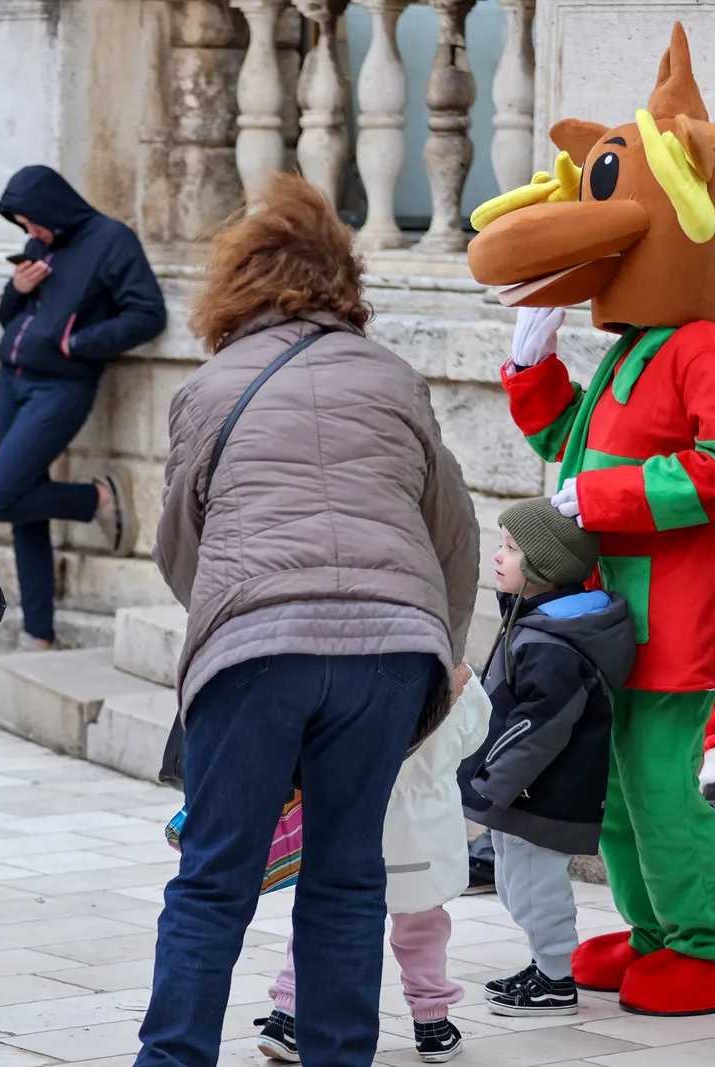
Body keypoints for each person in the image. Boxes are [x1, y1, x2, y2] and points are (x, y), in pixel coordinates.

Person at [138, 174, 478, 1067]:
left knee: (213, 880)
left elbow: (182, 543)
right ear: (344, 281)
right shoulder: (393, 376)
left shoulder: (212, 386)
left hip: (256, 649)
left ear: (236, 285)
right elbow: (454, 528)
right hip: (392, 648)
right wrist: (443, 647)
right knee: (347, 876)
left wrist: (227, 621)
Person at [466, 22, 715, 1014]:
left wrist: (602, 499)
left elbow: (704, 465)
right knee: (611, 792)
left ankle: (699, 937)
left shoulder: (699, 342)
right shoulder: (633, 346)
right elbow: (579, 439)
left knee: (660, 789)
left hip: (677, 618)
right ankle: (651, 927)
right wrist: (534, 363)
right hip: (605, 619)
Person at [256, 668, 488, 1064]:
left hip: (351, 818)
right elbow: (474, 735)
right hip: (424, 831)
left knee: (321, 922)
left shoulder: (357, 673)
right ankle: (431, 1023)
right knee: (423, 928)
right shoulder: (456, 675)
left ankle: (288, 1016)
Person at [459, 499, 635, 1018]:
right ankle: (544, 965)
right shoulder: (532, 621)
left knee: (536, 889)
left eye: (512, 549)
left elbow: (538, 729)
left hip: (545, 792)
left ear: (545, 566)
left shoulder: (554, 645)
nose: (498, 556)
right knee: (515, 884)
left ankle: (556, 982)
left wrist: (490, 780)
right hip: (523, 789)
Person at [0, 165, 165, 650]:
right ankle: (39, 634)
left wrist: (75, 341)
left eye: (33, 222)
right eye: (22, 226)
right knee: (24, 509)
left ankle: (98, 499)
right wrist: (16, 290)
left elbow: (148, 313)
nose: (30, 233)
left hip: (60, 387)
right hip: (12, 381)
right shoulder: (41, 243)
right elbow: (9, 319)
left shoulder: (112, 240)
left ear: (54, 208)